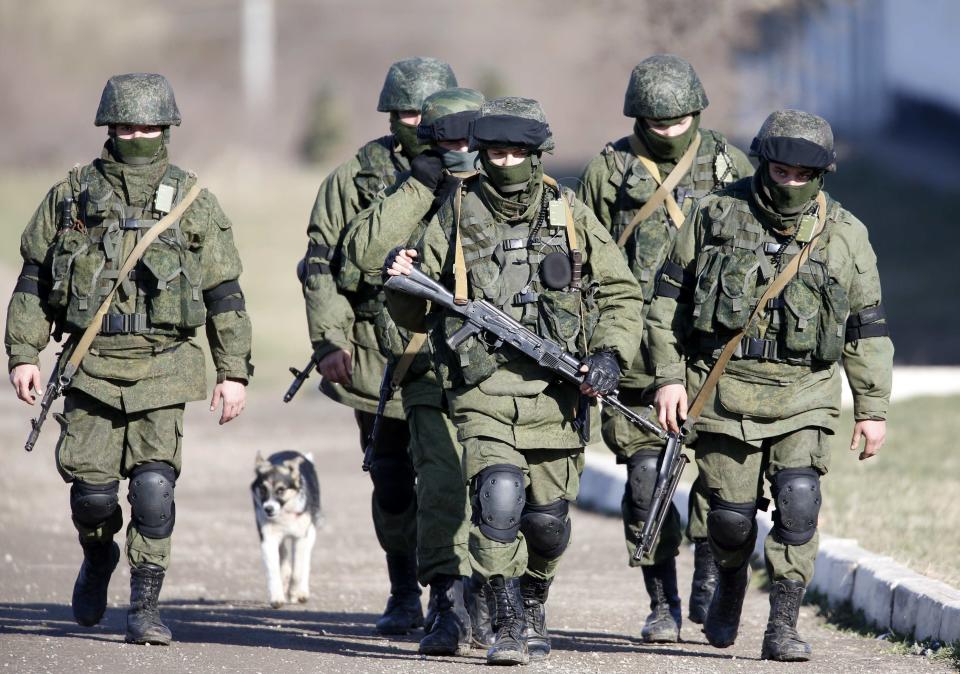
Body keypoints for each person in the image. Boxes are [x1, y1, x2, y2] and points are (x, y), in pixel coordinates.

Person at [384, 97, 645, 665]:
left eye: (517, 153)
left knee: (546, 524)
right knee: (497, 501)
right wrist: (400, 282)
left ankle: (531, 598)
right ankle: (503, 625)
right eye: (495, 152)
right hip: (482, 387)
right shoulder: (454, 212)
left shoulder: (568, 212)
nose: (505, 164)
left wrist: (608, 355)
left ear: (537, 154)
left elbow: (621, 294)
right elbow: (413, 310)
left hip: (557, 392)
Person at [4, 73, 252, 645]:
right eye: (127, 125)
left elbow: (225, 293)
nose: (138, 135)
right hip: (90, 366)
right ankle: (98, 556)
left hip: (165, 365)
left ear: (167, 128)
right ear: (108, 127)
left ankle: (145, 606)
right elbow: (34, 279)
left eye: (149, 126)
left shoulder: (193, 200)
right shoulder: (70, 196)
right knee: (92, 495)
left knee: (153, 490)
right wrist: (24, 352)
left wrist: (233, 370)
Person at [649, 109, 893, 661]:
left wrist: (871, 407)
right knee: (730, 522)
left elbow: (867, 328)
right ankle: (730, 583)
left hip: (805, 392)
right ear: (765, 164)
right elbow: (666, 304)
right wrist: (668, 378)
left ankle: (782, 626)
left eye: (802, 176)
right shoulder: (715, 214)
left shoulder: (846, 235)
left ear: (821, 175)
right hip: (725, 389)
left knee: (799, 503)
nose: (790, 183)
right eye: (780, 172)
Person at [577, 53, 754, 641]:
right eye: (657, 123)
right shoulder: (608, 170)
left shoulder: (731, 163)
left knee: (720, 480)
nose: (670, 131)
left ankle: (708, 571)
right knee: (646, 482)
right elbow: (586, 259)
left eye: (681, 120)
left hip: (711, 351)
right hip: (636, 354)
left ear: (697, 112)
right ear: (637, 118)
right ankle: (661, 600)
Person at [298, 56, 457, 635]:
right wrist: (329, 341)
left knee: (452, 474)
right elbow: (320, 266)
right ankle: (401, 590)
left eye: (426, 110)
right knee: (392, 479)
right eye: (406, 111)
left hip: (454, 352)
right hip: (375, 349)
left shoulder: (477, 165)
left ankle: (457, 596)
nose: (417, 120)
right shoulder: (354, 177)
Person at [341, 86, 489, 656]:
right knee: (437, 488)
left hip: (502, 375)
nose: (460, 151)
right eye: (445, 140)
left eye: (468, 140)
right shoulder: (412, 189)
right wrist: (422, 186)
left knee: (502, 495)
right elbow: (358, 251)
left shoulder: (518, 188)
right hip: (425, 364)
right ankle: (445, 604)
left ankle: (506, 599)